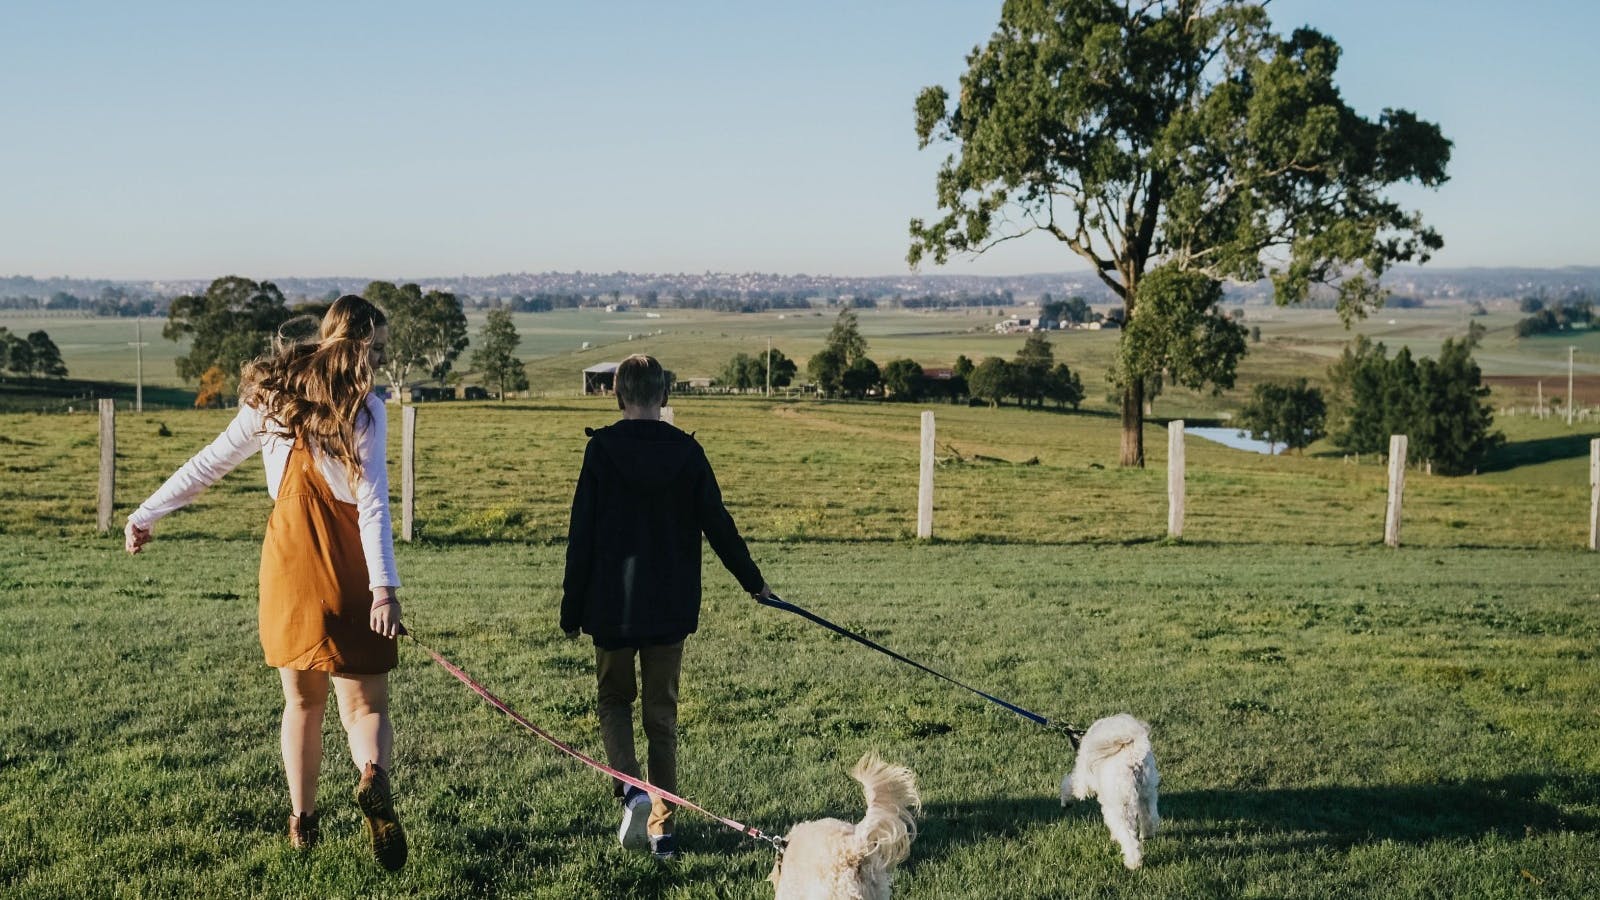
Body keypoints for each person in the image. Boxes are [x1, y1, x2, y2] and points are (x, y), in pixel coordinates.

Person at [124, 295, 408, 870]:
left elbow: (208, 463)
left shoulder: (273, 398)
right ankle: (371, 776)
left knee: (300, 704)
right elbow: (374, 505)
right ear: (367, 345)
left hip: (290, 568)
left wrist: (145, 513)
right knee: (364, 707)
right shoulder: (364, 410)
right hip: (350, 566)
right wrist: (384, 590)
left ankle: (302, 823)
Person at [561, 354, 772, 860]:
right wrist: (754, 582)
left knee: (614, 701)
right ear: (665, 395)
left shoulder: (601, 451)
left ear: (618, 395)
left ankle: (631, 790)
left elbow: (581, 534)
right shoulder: (687, 453)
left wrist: (571, 607)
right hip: (669, 607)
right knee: (662, 717)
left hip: (611, 606)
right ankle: (663, 831)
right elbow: (718, 524)